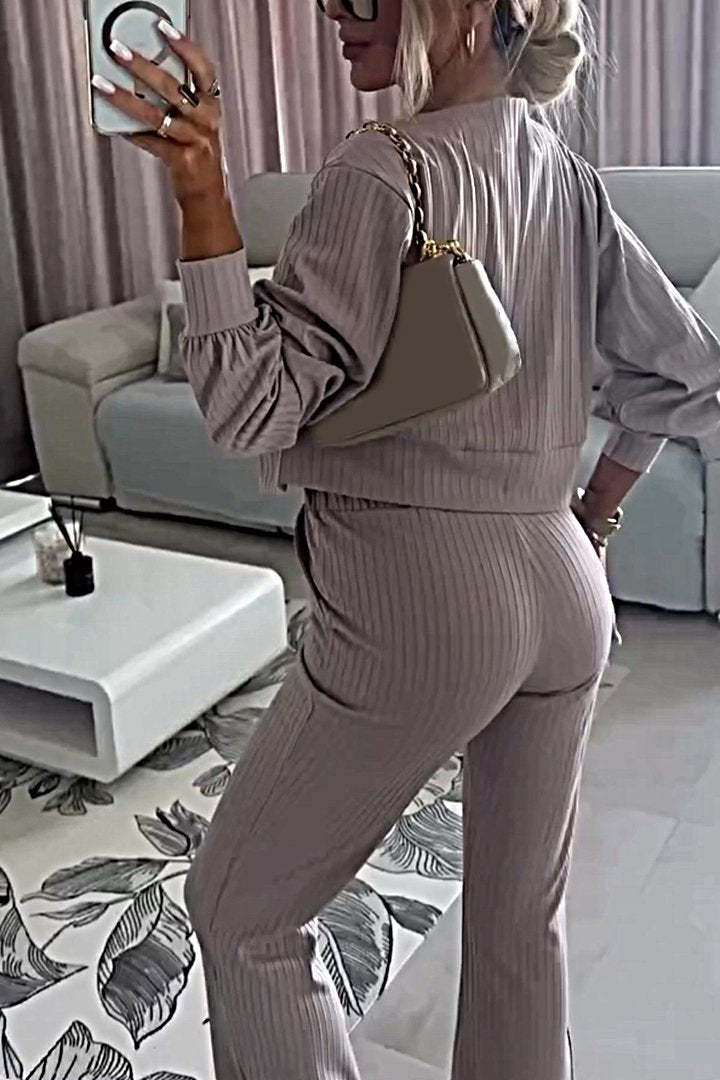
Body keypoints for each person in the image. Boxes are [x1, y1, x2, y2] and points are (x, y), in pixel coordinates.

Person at [100, 0, 720, 1076]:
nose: (336, 14)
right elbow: (692, 375)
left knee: (241, 912)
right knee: (522, 930)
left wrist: (201, 192)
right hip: (564, 586)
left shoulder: (381, 169)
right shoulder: (569, 177)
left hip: (420, 598)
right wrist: (594, 514)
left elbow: (249, 410)